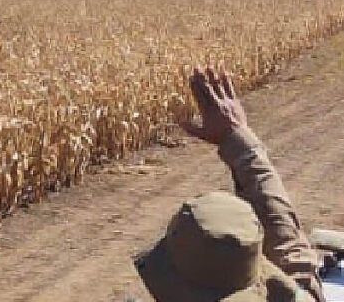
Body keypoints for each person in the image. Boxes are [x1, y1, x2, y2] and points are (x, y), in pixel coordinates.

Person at [135, 67, 325, 302]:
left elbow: (288, 247)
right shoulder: (298, 294)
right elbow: (288, 245)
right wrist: (237, 139)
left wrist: (237, 140)